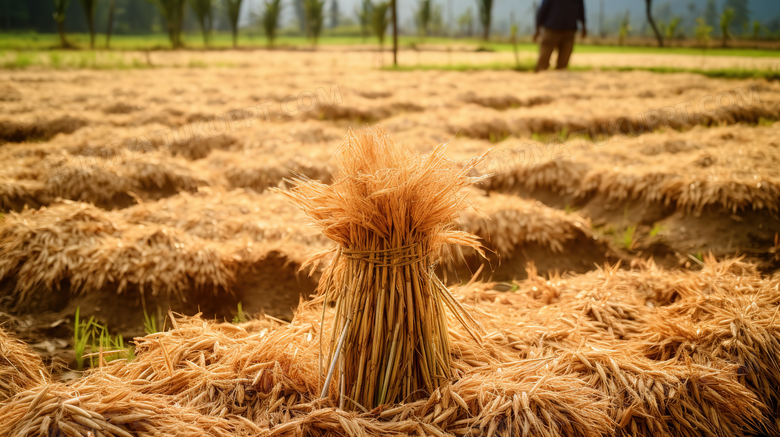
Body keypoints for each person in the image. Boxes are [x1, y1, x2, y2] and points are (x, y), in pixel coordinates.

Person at [533, 0, 586, 71]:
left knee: (562, 65)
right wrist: (537, 29)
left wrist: (537, 29)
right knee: (543, 63)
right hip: (554, 30)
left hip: (567, 31)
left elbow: (581, 11)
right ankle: (540, 77)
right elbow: (543, 10)